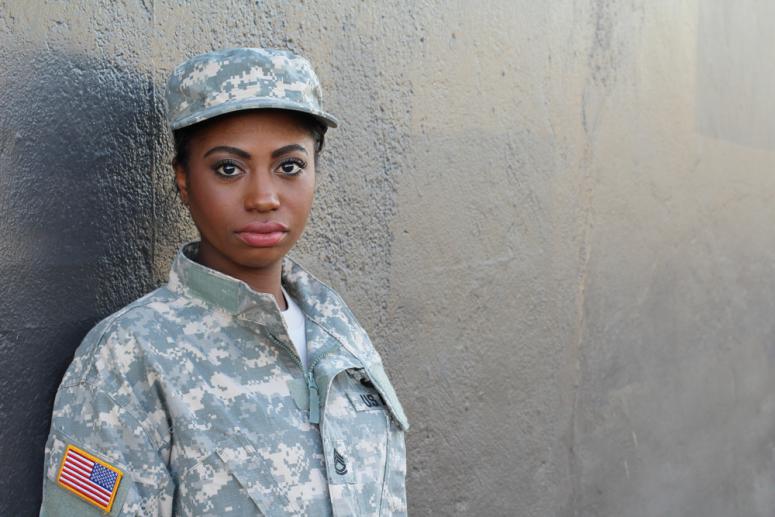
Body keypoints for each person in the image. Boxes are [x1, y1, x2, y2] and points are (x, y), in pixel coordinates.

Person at [39, 47, 409, 516]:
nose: (264, 197)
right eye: (228, 169)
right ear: (184, 181)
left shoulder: (340, 337)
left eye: (289, 166)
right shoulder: (129, 355)